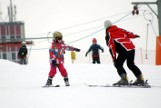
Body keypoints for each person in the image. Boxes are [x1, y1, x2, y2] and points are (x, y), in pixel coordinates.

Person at [104, 20, 145, 86]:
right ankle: (140, 79)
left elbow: (112, 47)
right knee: (131, 64)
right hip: (131, 47)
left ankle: (124, 79)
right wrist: (134, 36)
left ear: (105, 27)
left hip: (124, 49)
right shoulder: (119, 29)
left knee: (118, 64)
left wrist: (114, 59)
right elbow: (127, 33)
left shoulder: (108, 34)